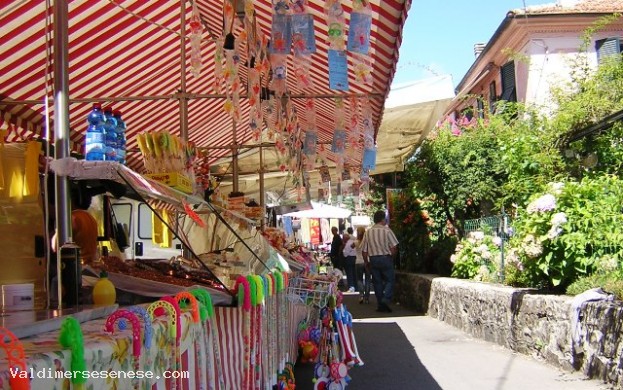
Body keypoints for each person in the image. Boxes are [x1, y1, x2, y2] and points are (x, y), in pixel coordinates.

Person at [361, 210, 399, 313]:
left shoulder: (368, 232)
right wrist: (392, 257)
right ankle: (385, 299)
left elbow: (364, 250)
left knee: (377, 282)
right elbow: (394, 247)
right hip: (385, 258)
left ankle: (380, 305)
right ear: (383, 219)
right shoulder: (387, 231)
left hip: (373, 259)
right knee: (390, 280)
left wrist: (366, 262)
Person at [354, 226, 370, 304]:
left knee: (359, 279)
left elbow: (351, 246)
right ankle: (367, 297)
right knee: (367, 279)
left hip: (358, 262)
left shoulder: (356, 242)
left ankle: (361, 295)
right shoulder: (367, 242)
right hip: (367, 261)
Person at [342, 227, 357, 292]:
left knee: (350, 273)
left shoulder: (348, 244)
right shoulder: (354, 240)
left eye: (343, 238)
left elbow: (345, 253)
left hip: (349, 259)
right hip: (355, 258)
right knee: (354, 273)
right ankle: (355, 286)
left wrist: (343, 251)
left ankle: (351, 286)